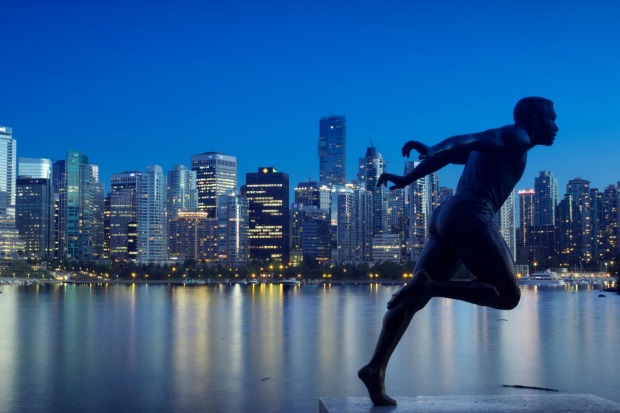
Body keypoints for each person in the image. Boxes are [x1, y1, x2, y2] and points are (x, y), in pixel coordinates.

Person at [358, 97, 558, 406]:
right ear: (536, 120)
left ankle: (375, 368)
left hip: (446, 216)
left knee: (411, 301)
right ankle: (429, 286)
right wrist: (434, 148)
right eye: (553, 119)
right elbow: (463, 140)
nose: (557, 127)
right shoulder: (517, 137)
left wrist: (407, 178)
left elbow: (453, 154)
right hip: (471, 215)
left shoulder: (502, 143)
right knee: (508, 296)